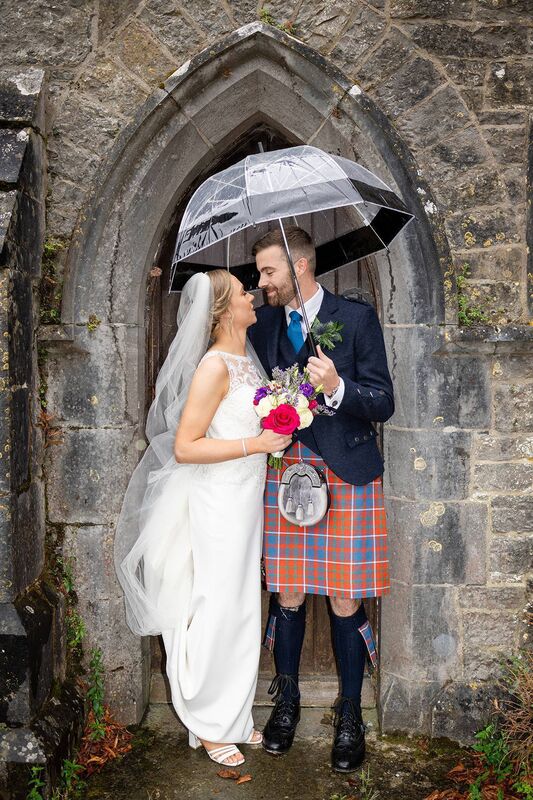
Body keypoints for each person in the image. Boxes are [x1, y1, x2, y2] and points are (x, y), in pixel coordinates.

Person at [114, 270, 292, 767]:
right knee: (216, 607)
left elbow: (250, 421)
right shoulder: (214, 366)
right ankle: (209, 724)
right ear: (221, 310)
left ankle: (232, 715)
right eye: (242, 294)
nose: (252, 296)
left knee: (240, 607)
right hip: (217, 502)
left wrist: (284, 418)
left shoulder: (245, 358)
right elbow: (187, 446)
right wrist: (254, 443)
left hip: (244, 499)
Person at [247, 226, 394, 773]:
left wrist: (336, 386)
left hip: (346, 475)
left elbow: (383, 402)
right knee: (286, 593)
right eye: (261, 274)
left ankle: (350, 715)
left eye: (269, 272)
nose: (262, 283)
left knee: (343, 598)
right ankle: (285, 708)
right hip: (284, 470)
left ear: (300, 265)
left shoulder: (354, 319)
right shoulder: (261, 324)